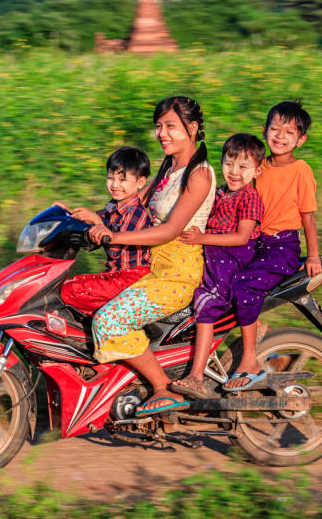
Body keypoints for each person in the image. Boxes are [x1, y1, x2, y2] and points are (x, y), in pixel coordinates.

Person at [89, 96, 215, 415]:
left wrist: (114, 235)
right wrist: (89, 218)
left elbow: (170, 230)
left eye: (170, 126)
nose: (162, 134)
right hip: (151, 265)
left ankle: (161, 388)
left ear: (193, 128)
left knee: (110, 320)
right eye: (159, 127)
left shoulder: (198, 174)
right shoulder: (170, 166)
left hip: (177, 273)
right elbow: (132, 203)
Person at [223, 100, 321, 390]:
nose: (280, 136)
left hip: (283, 246)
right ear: (264, 130)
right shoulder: (258, 166)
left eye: (289, 132)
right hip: (254, 242)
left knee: (244, 283)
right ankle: (265, 346)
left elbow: (308, 217)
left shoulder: (301, 170)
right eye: (275, 128)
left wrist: (312, 255)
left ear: (300, 140)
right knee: (218, 283)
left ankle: (250, 360)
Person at [171, 134, 265, 398]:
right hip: (211, 256)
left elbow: (241, 237)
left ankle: (197, 375)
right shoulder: (219, 192)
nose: (234, 172)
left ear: (257, 170)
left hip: (232, 260)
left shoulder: (250, 197)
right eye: (228, 164)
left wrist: (201, 238)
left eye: (243, 167)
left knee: (206, 302)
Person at [59, 147, 153, 315]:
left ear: (140, 182)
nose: (115, 185)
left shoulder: (136, 214)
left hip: (131, 279)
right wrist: (67, 213)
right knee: (66, 286)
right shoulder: (113, 207)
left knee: (70, 291)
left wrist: (96, 222)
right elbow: (95, 220)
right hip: (115, 276)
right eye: (110, 178)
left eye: (122, 179)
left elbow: (115, 248)